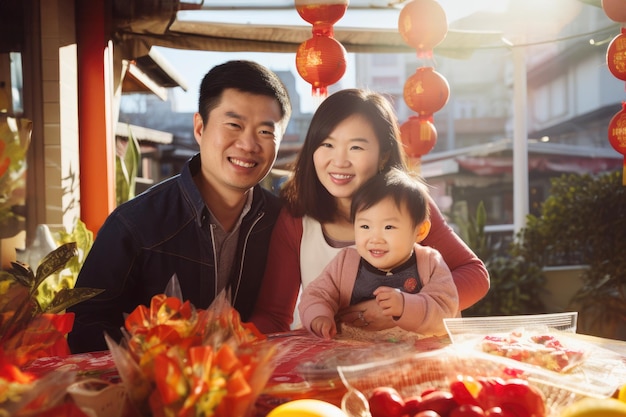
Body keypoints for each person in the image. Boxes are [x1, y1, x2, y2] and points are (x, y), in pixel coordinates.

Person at [67, 60, 292, 353]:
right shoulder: (134, 225)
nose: (248, 144)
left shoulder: (281, 222)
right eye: (234, 125)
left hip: (247, 385)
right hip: (153, 389)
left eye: (265, 132)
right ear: (200, 127)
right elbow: (84, 328)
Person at [250, 89, 488, 334]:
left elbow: (474, 275)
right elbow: (275, 314)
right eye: (327, 144)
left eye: (356, 147)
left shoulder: (408, 204)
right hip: (335, 363)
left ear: (383, 155)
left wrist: (400, 310)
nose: (339, 161)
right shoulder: (297, 217)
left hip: (416, 361)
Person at [299, 168, 459, 340]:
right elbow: (316, 294)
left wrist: (406, 306)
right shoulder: (345, 263)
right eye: (365, 227)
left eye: (388, 227)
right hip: (353, 352)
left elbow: (445, 310)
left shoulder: (429, 263)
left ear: (420, 231)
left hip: (415, 354)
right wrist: (319, 316)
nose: (375, 239)